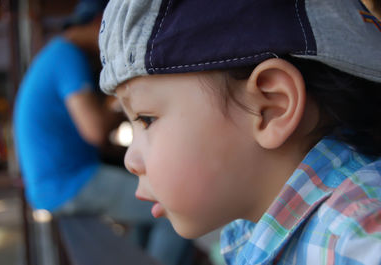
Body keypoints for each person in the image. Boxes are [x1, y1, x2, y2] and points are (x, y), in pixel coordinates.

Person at [98, 0, 381, 264]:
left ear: (271, 107)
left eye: (146, 119)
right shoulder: (251, 227)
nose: (130, 160)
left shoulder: (358, 240)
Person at [13, 0, 193, 264]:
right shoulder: (66, 55)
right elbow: (95, 130)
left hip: (56, 182)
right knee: (177, 208)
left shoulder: (56, 54)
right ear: (100, 22)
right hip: (68, 183)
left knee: (150, 210)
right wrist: (120, 100)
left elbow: (96, 142)